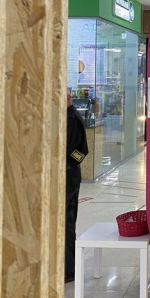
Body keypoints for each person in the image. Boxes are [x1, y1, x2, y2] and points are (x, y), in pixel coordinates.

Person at [65, 90, 88, 283]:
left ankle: (68, 270)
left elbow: (77, 151)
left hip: (69, 176)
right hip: (68, 173)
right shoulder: (67, 116)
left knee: (67, 222)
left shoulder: (71, 119)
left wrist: (69, 165)